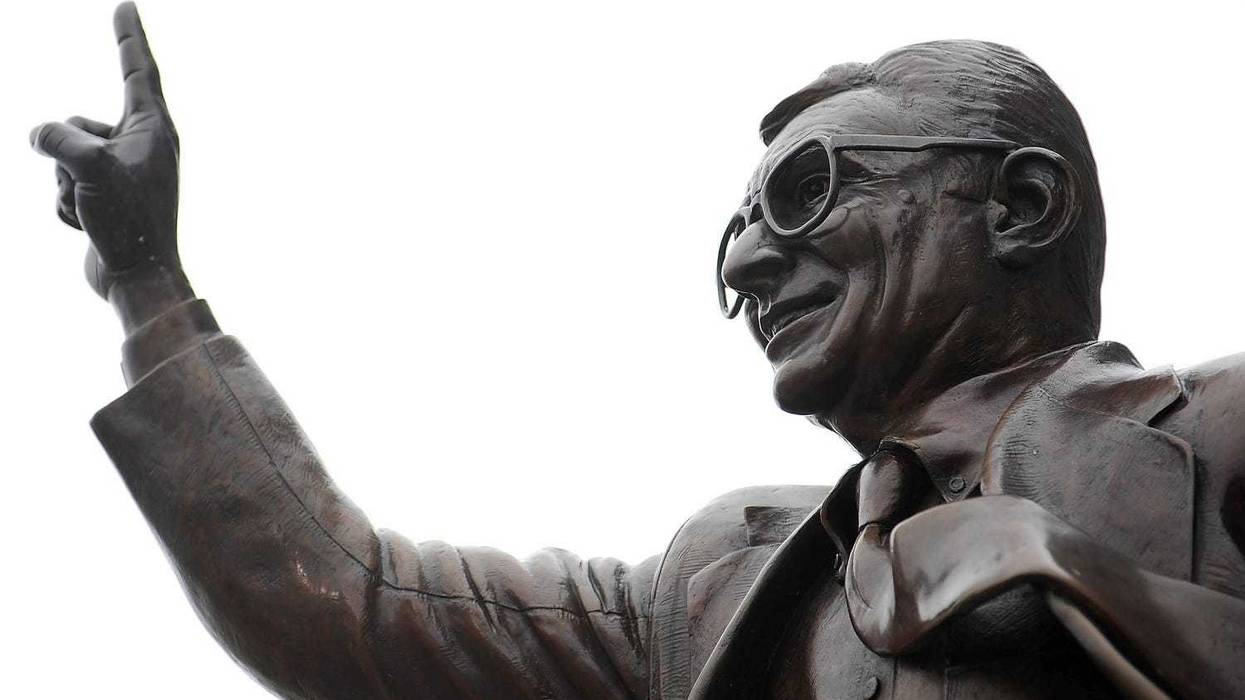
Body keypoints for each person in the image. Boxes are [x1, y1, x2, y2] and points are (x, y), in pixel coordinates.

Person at [31, 4, 1245, 699]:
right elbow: (353, 606)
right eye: (736, 230)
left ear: (1021, 205)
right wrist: (151, 288)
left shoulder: (1215, 436)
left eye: (806, 193)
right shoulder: (716, 585)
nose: (746, 265)